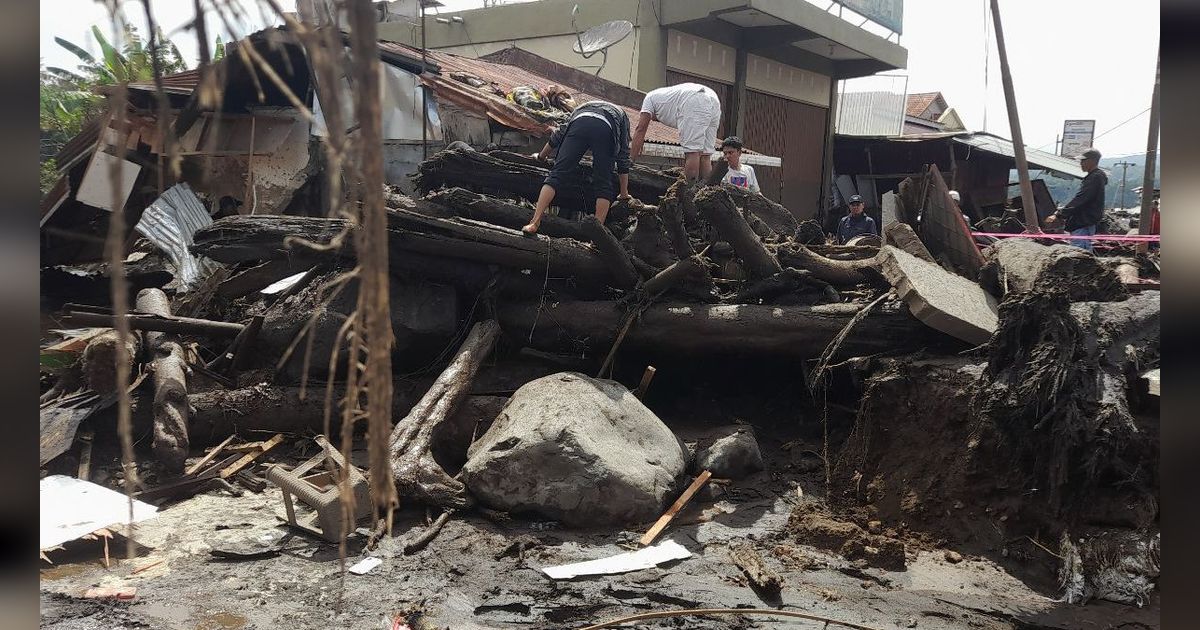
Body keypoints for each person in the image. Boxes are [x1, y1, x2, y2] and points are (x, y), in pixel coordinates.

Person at [522, 100, 632, 236]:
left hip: (580, 123)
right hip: (605, 128)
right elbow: (623, 154)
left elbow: (559, 134)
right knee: (603, 184)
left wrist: (541, 156)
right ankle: (596, 238)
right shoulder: (622, 115)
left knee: (556, 175)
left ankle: (534, 222)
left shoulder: (581, 108)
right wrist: (623, 192)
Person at [630, 82, 722, 182]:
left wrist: (630, 161)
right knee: (705, 154)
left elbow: (640, 129)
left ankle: (689, 191)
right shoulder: (664, 98)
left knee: (692, 152)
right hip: (713, 98)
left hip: (695, 99)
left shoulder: (649, 99)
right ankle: (707, 192)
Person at [1047, 147, 1106, 252]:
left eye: (1083, 161)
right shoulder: (1094, 177)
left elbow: (1081, 199)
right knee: (1082, 252)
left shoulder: (1095, 177)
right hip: (1084, 221)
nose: (1081, 163)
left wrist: (1059, 214)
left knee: (1080, 253)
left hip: (1084, 221)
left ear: (1092, 161)